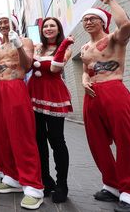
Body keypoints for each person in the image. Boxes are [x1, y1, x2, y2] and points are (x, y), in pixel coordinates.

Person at [80, 0, 130, 212]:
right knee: (97, 143)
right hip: (91, 96)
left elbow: (126, 23)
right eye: (85, 19)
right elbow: (86, 70)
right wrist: (84, 80)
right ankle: (112, 185)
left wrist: (110, 1)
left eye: (93, 18)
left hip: (113, 90)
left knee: (126, 141)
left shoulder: (114, 38)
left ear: (103, 21)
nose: (88, 22)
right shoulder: (85, 48)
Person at [0, 11, 44, 210]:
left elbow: (28, 65)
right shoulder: (0, 48)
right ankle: (13, 176)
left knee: (21, 135)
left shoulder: (25, 40)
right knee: (3, 135)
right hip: (0, 89)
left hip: (16, 86)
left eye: (6, 21)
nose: (3, 25)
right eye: (1, 22)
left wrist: (19, 46)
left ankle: (33, 186)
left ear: (13, 23)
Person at [28, 17, 73, 202]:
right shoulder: (38, 47)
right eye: (45, 26)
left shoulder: (66, 47)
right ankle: (46, 181)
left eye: (52, 25)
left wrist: (64, 45)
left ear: (58, 28)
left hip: (53, 95)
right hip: (34, 95)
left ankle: (62, 185)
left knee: (56, 140)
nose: (48, 28)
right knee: (38, 140)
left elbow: (55, 69)